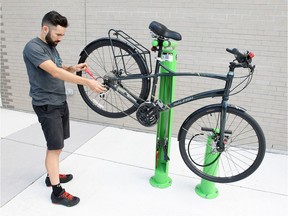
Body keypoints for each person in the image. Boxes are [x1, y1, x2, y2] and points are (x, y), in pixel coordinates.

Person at [23, 11, 106, 207]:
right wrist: (86, 82)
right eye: (58, 34)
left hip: (59, 101)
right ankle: (57, 192)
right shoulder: (33, 47)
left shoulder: (51, 46)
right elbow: (53, 72)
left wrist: (72, 68)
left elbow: (57, 69)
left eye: (63, 35)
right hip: (46, 104)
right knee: (55, 147)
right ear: (45, 28)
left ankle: (51, 175)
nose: (60, 38)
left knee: (57, 145)